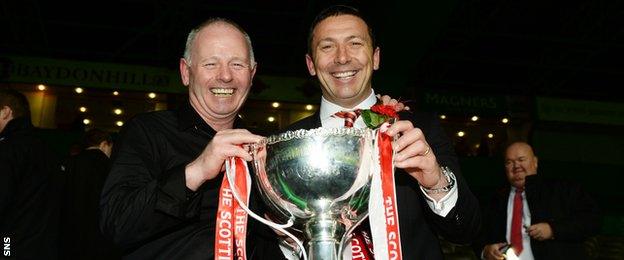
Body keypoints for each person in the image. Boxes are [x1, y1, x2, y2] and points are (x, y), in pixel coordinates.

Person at [271, 5, 481, 259]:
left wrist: (436, 181)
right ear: (311, 64)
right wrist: (286, 239)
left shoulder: (418, 132)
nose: (342, 58)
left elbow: (465, 231)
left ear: (376, 57)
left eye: (355, 43)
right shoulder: (287, 144)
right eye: (327, 47)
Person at [99, 18, 276, 259]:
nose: (225, 76)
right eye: (211, 64)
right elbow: (116, 225)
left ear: (252, 73)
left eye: (237, 64)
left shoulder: (265, 148)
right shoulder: (147, 131)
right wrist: (196, 171)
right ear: (185, 72)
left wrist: (285, 229)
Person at [478, 141, 599, 259]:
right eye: (509, 162)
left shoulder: (562, 190)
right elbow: (477, 234)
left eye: (521, 159)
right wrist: (485, 251)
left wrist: (553, 229)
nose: (516, 166)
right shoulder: (493, 200)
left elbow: (591, 221)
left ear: (535, 162)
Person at [0, 89, 63, 259]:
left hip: (10, 242)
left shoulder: (9, 148)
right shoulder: (47, 147)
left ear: (6, 112)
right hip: (45, 245)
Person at [60, 129, 120, 259]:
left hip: (70, 234)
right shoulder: (111, 167)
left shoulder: (68, 163)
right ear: (104, 144)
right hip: (99, 237)